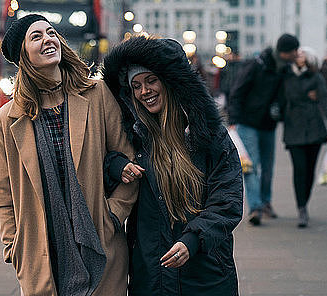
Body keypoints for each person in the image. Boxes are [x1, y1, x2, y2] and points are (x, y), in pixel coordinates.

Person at [0, 14, 138, 296]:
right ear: (23, 56)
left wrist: (113, 215)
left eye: (50, 32)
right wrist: (14, 246)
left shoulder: (96, 94)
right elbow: (2, 192)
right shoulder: (6, 119)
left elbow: (127, 159)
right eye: (36, 36)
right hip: (41, 254)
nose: (48, 39)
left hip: (101, 244)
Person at [102, 36, 243, 295]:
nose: (144, 91)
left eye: (151, 80)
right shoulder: (133, 137)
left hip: (204, 272)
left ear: (171, 82)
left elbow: (228, 201)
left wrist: (193, 240)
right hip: (150, 273)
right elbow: (98, 168)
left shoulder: (210, 137)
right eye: (136, 85)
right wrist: (116, 165)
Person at [228, 33, 299, 225]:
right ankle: (256, 207)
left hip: (268, 123)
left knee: (267, 167)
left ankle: (265, 202)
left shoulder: (285, 69)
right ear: (285, 52)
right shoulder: (257, 65)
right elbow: (237, 91)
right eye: (294, 51)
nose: (297, 54)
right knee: (251, 165)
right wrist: (233, 120)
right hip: (247, 122)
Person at [279, 47, 327, 227]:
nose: (299, 56)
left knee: (310, 170)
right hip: (294, 129)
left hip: (314, 129)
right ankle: (301, 208)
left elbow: (325, 102)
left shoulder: (315, 77)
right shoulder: (286, 76)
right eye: (297, 54)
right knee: (299, 170)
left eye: (302, 54)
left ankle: (304, 202)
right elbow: (284, 97)